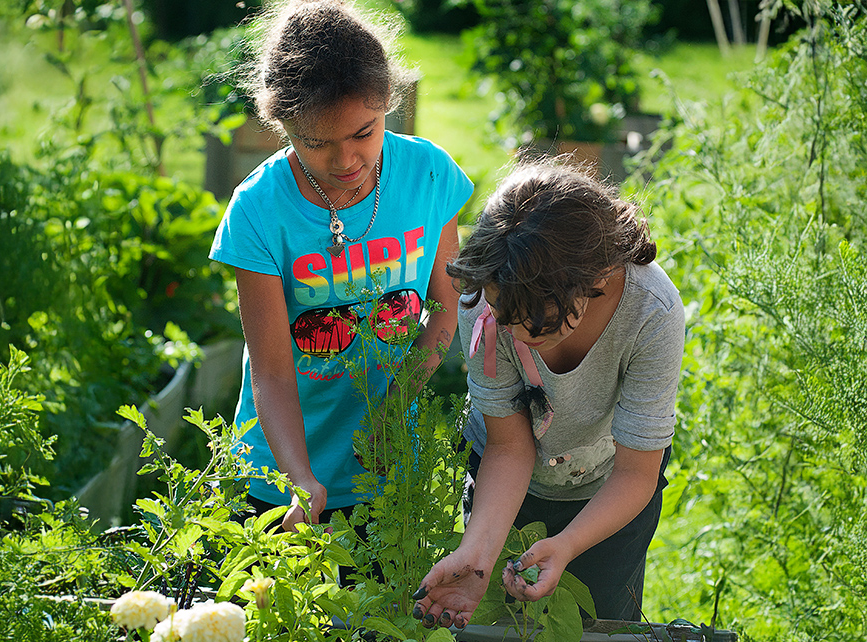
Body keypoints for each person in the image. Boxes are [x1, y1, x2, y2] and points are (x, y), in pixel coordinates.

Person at [209, 0, 473, 533]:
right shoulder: (259, 210)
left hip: (387, 466)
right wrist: (298, 478)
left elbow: (447, 311)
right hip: (278, 478)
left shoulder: (428, 175)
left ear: (387, 100)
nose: (346, 160)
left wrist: (395, 406)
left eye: (363, 133)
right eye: (317, 143)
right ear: (282, 124)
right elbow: (271, 371)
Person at [411, 158, 685, 628]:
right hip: (507, 485)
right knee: (503, 625)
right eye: (504, 315)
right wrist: (477, 557)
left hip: (611, 488)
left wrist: (567, 544)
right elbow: (508, 447)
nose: (513, 331)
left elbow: (635, 472)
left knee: (600, 625)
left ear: (596, 278)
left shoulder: (651, 312)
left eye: (536, 322)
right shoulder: (486, 300)